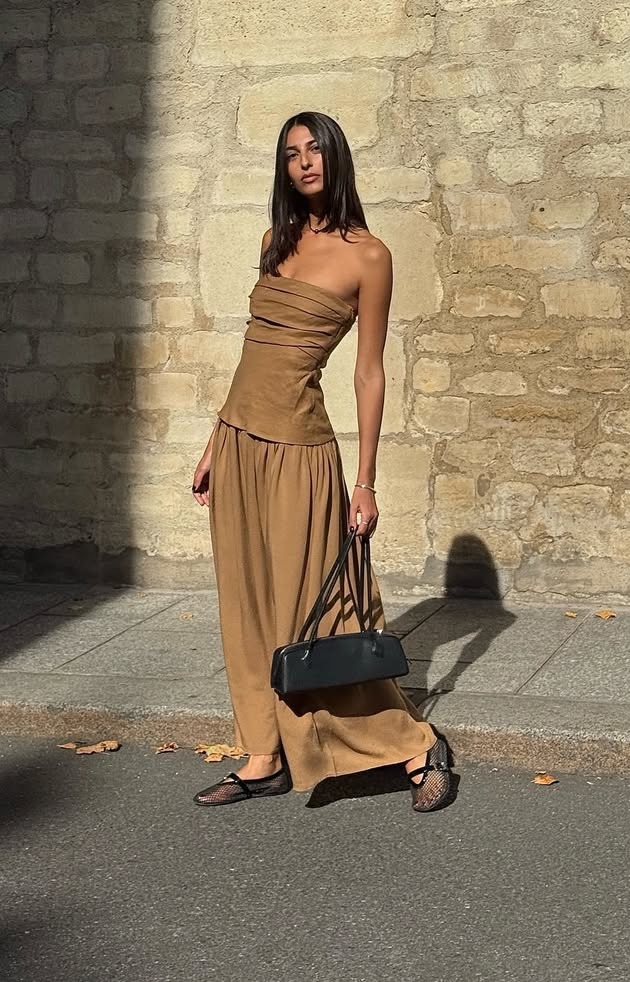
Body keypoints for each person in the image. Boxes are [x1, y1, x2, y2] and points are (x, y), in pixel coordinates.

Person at [190, 110, 453, 812]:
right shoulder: (277, 240)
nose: (304, 162)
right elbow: (256, 353)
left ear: (336, 159)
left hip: (301, 453)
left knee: (319, 610)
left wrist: (364, 482)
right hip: (241, 443)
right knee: (244, 603)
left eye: (315, 150)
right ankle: (263, 753)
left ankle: (413, 744)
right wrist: (217, 440)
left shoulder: (370, 255)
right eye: (291, 154)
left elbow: (369, 373)